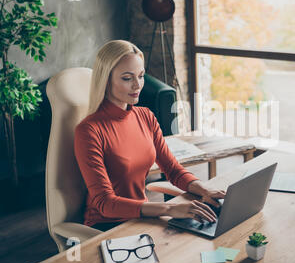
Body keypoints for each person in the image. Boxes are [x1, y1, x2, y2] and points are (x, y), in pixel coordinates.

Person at [74, 40, 225, 232]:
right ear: (106, 80)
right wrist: (170, 208)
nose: (137, 85)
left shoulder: (145, 116)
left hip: (142, 217)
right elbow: (105, 203)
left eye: (141, 76)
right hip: (106, 225)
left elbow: (173, 170)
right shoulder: (89, 130)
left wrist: (204, 189)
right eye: (127, 78)